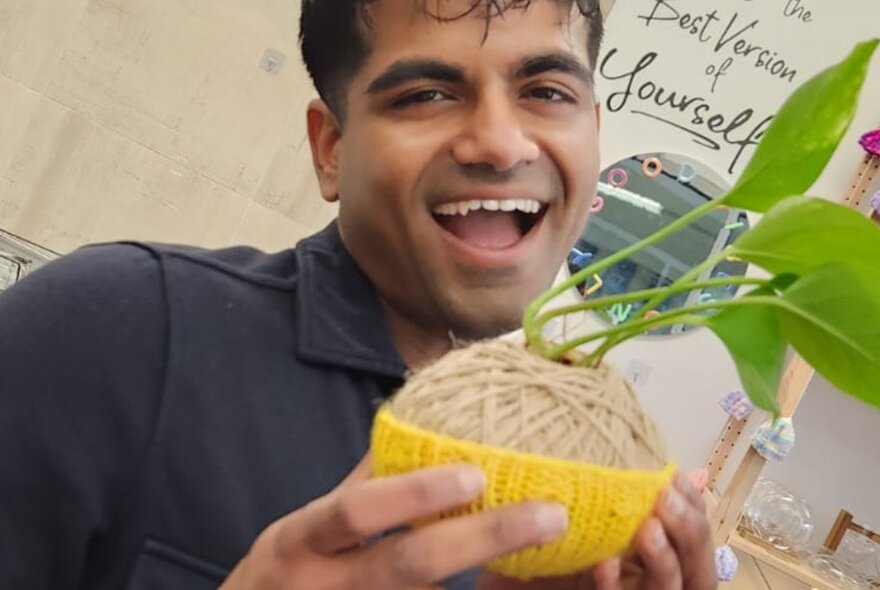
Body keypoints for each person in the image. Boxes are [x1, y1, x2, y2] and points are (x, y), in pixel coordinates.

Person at [0, 0, 717, 588]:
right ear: (331, 149)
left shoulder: (577, 471)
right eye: (427, 94)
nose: (501, 143)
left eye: (547, 92)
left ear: (592, 130)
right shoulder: (115, 330)